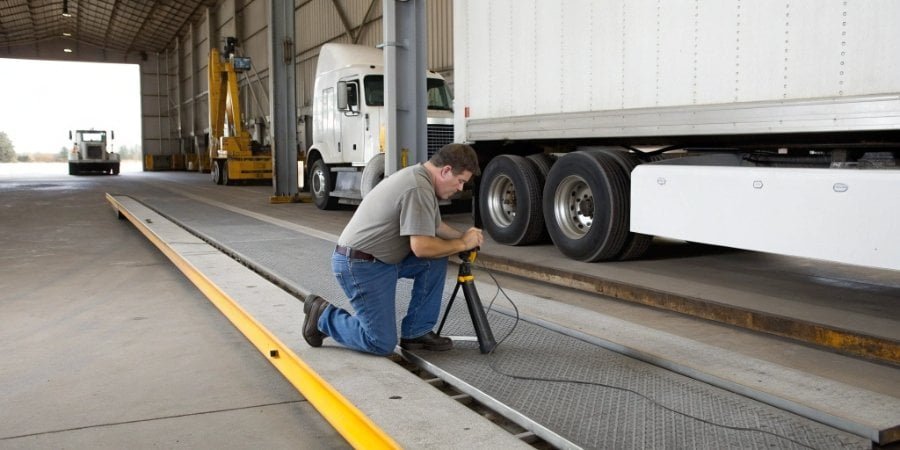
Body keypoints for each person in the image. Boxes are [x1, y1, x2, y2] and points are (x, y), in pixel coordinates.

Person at [303, 143, 484, 355]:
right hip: (360, 265)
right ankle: (323, 316)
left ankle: (417, 331)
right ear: (445, 171)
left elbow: (433, 226)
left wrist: (462, 237)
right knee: (380, 342)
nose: (461, 188)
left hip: (380, 260)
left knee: (436, 258)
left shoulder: (420, 179)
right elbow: (422, 247)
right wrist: (462, 244)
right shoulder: (418, 188)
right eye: (460, 181)